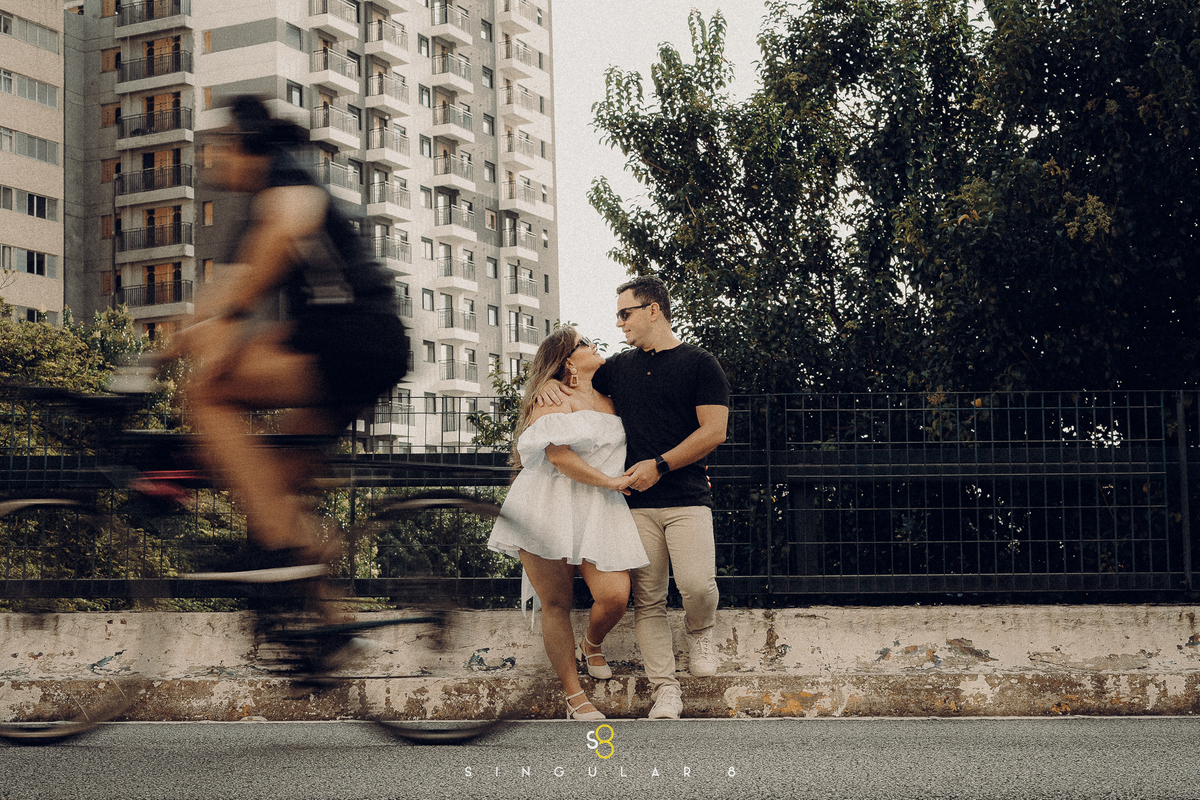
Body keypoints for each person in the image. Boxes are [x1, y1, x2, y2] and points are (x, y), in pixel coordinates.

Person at [168, 96, 408, 616]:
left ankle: (277, 549)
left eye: (219, 148)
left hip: (354, 340)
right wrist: (167, 348)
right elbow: (219, 295)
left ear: (244, 144)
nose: (213, 160)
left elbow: (281, 235)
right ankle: (328, 632)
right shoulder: (257, 205)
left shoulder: (288, 176)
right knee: (271, 486)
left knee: (207, 394)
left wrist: (229, 321)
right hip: (352, 346)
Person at [538, 276, 729, 720]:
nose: (619, 322)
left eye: (625, 313)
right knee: (649, 601)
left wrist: (659, 465)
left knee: (699, 585)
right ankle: (666, 691)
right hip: (633, 504)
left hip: (687, 497)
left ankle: (701, 631)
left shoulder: (701, 365)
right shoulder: (619, 368)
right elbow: (570, 372)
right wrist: (548, 385)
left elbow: (714, 432)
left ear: (653, 310)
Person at [488, 327, 649, 720]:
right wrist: (611, 481)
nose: (594, 346)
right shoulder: (553, 399)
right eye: (584, 343)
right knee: (556, 604)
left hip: (599, 506)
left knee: (614, 595)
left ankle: (591, 643)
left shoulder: (613, 398)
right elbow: (558, 457)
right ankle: (574, 697)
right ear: (567, 360)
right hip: (547, 501)